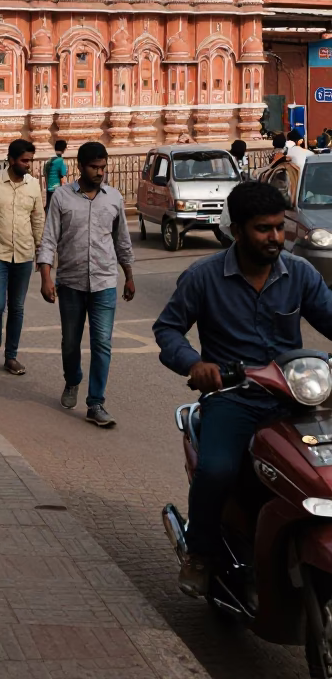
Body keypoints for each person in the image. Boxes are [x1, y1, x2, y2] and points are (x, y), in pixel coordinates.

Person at [153, 180, 332, 598]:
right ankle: (200, 553)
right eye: (263, 229)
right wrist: (195, 365)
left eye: (279, 228)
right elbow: (168, 329)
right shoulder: (204, 276)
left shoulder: (300, 273)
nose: (275, 238)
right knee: (216, 470)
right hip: (233, 400)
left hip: (294, 399)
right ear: (237, 231)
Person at [37, 141, 135, 428]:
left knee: (102, 343)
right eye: (94, 167)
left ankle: (96, 403)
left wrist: (128, 276)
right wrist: (46, 276)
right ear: (79, 166)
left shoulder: (114, 198)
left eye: (103, 167)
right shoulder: (62, 198)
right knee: (70, 343)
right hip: (70, 282)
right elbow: (49, 239)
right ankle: (72, 379)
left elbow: (122, 241)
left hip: (105, 282)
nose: (99, 172)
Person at [0, 138, 45, 375]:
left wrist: (41, 253)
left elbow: (38, 221)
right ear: (11, 160)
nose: (28, 165)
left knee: (17, 307)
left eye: (30, 161)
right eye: (25, 160)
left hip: (23, 255)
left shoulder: (34, 185)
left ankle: (11, 356)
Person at [43, 139, 68, 208]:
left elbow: (45, 173)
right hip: (57, 189)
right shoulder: (60, 161)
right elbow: (63, 176)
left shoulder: (49, 161)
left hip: (49, 188)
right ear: (64, 149)